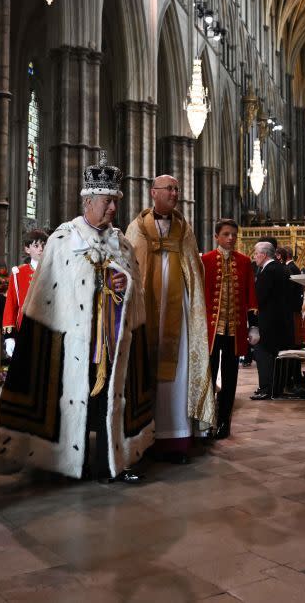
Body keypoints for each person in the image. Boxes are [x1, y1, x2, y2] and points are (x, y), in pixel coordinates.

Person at [0, 154, 148, 484]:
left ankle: (112, 463)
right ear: (90, 201)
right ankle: (70, 462)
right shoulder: (63, 240)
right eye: (108, 202)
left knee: (110, 402)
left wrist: (125, 285)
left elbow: (136, 292)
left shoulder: (122, 244)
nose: (113, 209)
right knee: (72, 401)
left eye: (115, 203)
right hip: (71, 342)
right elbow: (46, 296)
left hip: (111, 342)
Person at [125, 175, 213, 463]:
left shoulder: (184, 230)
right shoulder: (136, 228)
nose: (175, 193)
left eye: (177, 188)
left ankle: (176, 439)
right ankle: (143, 436)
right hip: (145, 310)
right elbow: (127, 267)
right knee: (144, 366)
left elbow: (194, 269)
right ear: (154, 193)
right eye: (169, 189)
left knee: (179, 374)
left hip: (179, 312)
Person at [200, 218, 256, 440]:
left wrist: (254, 327)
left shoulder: (244, 261)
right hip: (211, 331)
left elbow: (251, 295)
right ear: (216, 236)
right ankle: (207, 421)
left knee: (231, 378)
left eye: (233, 234)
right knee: (209, 376)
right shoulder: (205, 260)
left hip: (234, 331)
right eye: (225, 234)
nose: (230, 238)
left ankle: (225, 422)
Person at [249, 241, 295, 400]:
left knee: (264, 354)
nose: (254, 257)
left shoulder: (269, 270)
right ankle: (272, 387)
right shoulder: (279, 267)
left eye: (255, 254)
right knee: (272, 355)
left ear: (263, 254)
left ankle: (266, 388)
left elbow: (259, 297)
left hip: (270, 322)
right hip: (280, 321)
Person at [2, 229, 48, 357]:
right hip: (24, 330)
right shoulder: (18, 274)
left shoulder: (56, 272)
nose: (41, 249)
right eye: (36, 245)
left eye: (44, 245)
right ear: (27, 249)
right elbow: (11, 305)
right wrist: (9, 337)